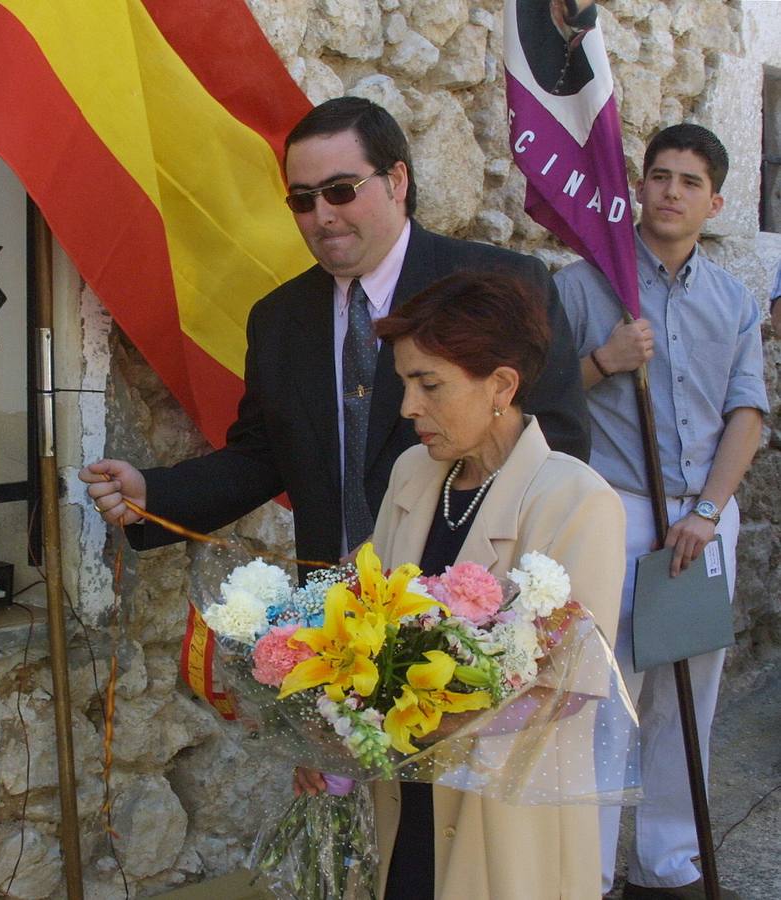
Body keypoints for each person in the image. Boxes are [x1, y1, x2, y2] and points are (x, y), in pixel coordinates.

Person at [80, 97, 589, 573]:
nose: (323, 215)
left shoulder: (501, 284)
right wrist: (154, 494)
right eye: (302, 200)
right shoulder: (278, 320)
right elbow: (263, 456)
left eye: (341, 191)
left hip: (468, 602)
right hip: (334, 619)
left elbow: (556, 444)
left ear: (397, 181)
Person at [298, 271, 625, 899]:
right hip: (404, 799)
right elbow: (368, 615)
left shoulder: (576, 502)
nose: (407, 407)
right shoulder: (413, 474)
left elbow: (569, 686)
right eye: (404, 383)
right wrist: (327, 727)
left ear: (501, 385)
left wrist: (425, 727)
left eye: (429, 384)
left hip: (506, 819)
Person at [555, 123, 767, 900]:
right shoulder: (582, 287)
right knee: (604, 699)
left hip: (699, 520)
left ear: (714, 201)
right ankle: (590, 870)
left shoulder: (733, 300)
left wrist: (709, 510)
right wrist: (603, 361)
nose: (671, 191)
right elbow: (535, 404)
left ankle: (670, 864)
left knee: (690, 693)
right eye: (659, 175)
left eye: (689, 181)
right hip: (611, 511)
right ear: (638, 187)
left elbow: (748, 411)